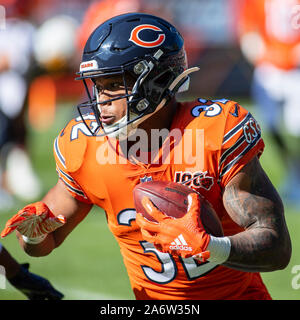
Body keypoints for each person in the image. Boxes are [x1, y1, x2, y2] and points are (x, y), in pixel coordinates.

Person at [0, 13, 291, 300]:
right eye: (98, 87)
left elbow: (276, 248)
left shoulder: (212, 133)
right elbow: (46, 241)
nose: (101, 102)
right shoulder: (86, 146)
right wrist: (33, 233)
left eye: (114, 85)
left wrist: (209, 245)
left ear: (157, 80)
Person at [238, 0, 300, 206]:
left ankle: (296, 172)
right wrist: (259, 53)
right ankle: (293, 171)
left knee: (296, 127)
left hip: (296, 69)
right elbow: (248, 28)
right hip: (270, 67)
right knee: (269, 124)